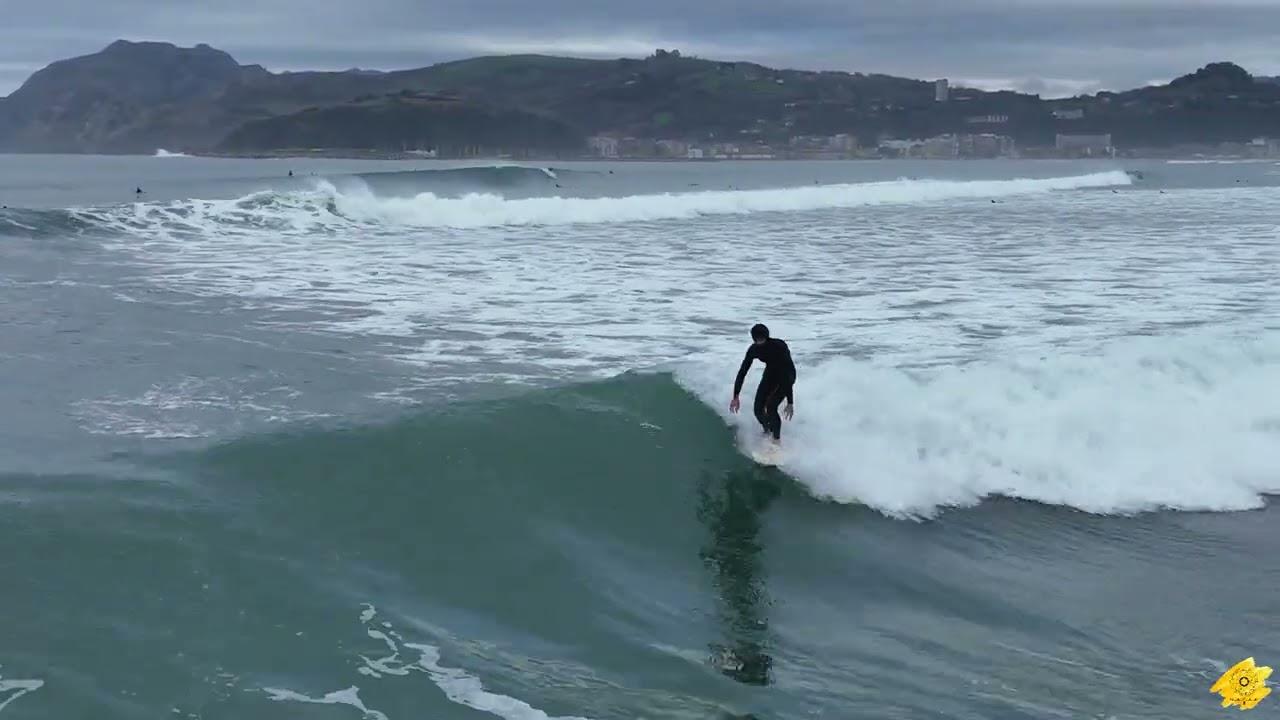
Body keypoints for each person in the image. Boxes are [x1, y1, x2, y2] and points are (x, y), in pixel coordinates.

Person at [729, 323, 795, 445]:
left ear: (766, 337)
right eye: (757, 340)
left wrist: (790, 402)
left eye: (762, 339)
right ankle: (768, 431)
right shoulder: (754, 349)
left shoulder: (779, 346)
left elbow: (785, 374)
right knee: (758, 409)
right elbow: (743, 371)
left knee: (771, 407)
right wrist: (736, 396)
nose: (760, 342)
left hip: (787, 374)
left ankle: (776, 441)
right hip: (770, 374)